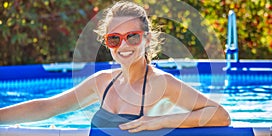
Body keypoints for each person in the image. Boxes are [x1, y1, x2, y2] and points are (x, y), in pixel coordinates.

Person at [0, 1, 230, 135]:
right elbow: (47, 108)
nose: (123, 45)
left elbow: (221, 116)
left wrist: (162, 121)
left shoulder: (161, 83)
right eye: (114, 39)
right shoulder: (102, 82)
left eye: (132, 37)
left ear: (147, 39)